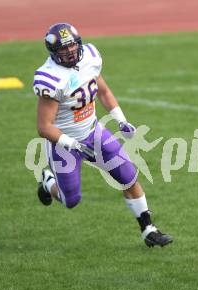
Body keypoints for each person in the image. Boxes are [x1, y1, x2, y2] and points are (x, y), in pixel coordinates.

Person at [33, 22, 172, 247]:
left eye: (72, 46)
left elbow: (104, 92)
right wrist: (73, 145)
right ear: (53, 52)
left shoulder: (89, 57)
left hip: (94, 131)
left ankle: (148, 228)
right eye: (63, 49)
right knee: (71, 200)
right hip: (64, 143)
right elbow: (44, 127)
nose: (69, 52)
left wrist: (121, 120)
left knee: (128, 176)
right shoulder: (51, 78)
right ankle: (48, 182)